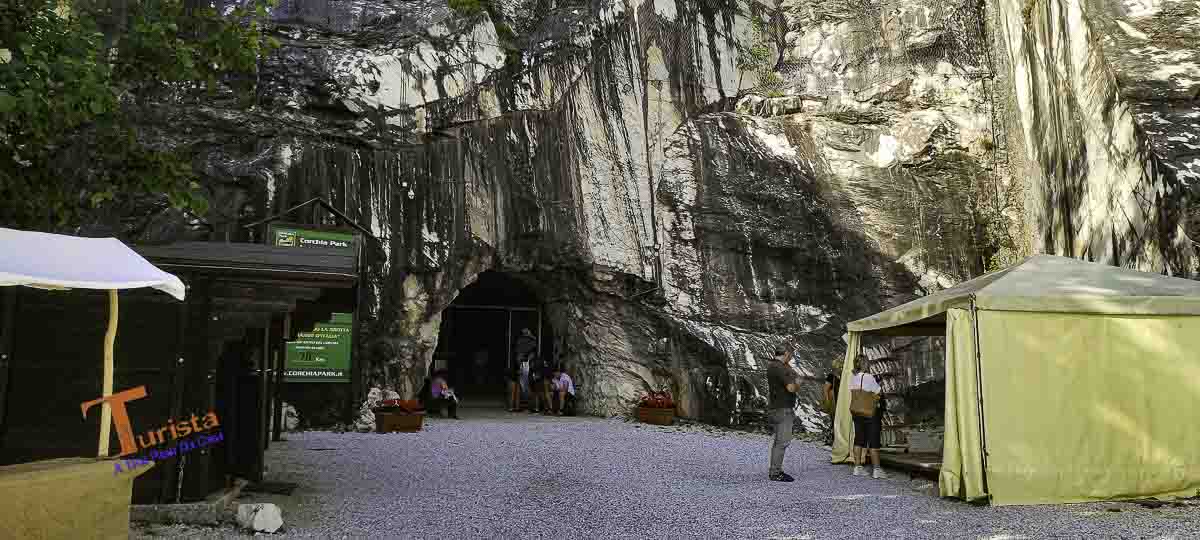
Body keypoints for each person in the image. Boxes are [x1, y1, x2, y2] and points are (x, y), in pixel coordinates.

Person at [849, 354, 887, 479]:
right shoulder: (869, 377)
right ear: (866, 364)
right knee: (873, 439)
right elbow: (878, 392)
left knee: (859, 438)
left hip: (856, 411)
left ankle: (857, 467)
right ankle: (877, 470)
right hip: (869, 412)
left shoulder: (853, 377)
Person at [514, 328, 537, 408]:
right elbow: (518, 355)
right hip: (523, 364)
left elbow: (533, 347)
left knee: (528, 385)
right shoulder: (520, 341)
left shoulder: (531, 341)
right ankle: (522, 405)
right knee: (522, 385)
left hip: (528, 365)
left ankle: (530, 405)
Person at [822, 359, 842, 446]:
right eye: (839, 366)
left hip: (840, 402)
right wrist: (827, 401)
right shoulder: (831, 376)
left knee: (838, 421)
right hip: (833, 402)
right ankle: (831, 439)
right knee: (834, 421)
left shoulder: (842, 376)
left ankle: (836, 439)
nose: (840, 367)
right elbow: (825, 389)